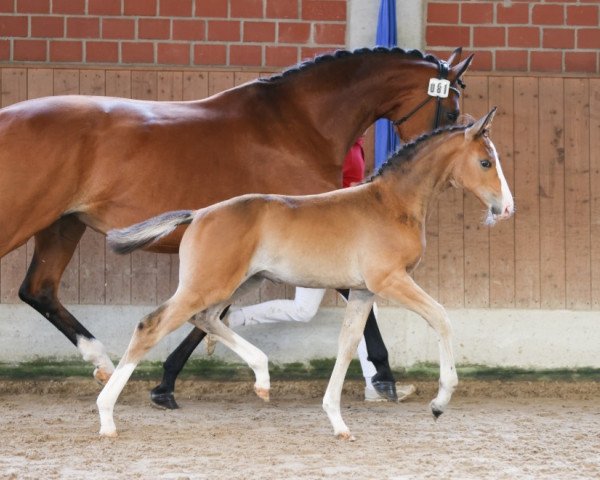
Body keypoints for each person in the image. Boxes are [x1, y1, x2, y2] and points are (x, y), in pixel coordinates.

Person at [209, 137, 415, 402]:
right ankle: (375, 385)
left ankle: (231, 320)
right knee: (353, 308)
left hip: (345, 241)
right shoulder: (337, 146)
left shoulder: (354, 145)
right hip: (325, 242)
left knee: (305, 310)